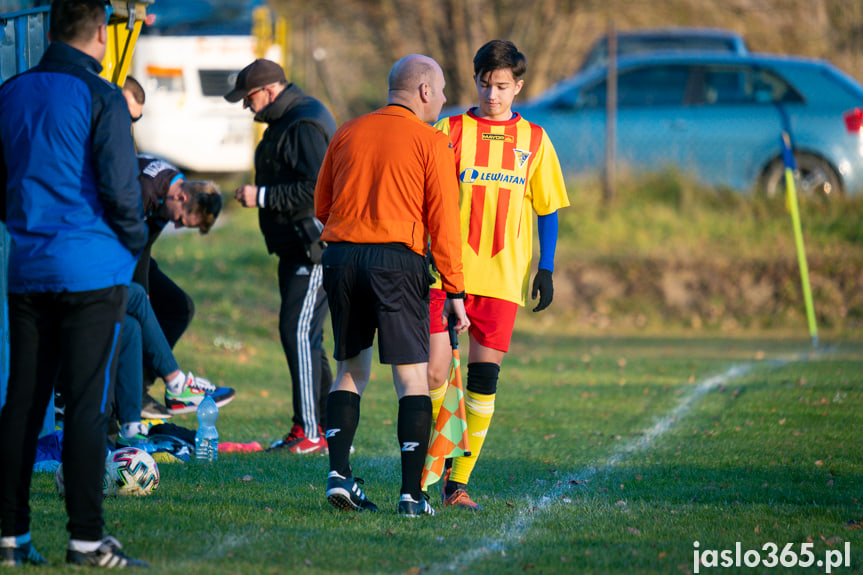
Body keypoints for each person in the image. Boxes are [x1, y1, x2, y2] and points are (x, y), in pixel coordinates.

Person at [0, 0, 148, 567]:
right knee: (86, 406)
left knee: (22, 401)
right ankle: (86, 540)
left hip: (29, 267)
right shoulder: (102, 95)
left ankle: (10, 538)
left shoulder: (11, 92)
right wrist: (131, 244)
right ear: (99, 37)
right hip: (91, 270)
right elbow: (120, 188)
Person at [314, 54, 470, 517]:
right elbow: (444, 223)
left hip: (340, 257)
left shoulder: (347, 131)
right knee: (410, 379)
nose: (443, 98)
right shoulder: (431, 142)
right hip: (396, 261)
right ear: (423, 91)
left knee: (350, 368)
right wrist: (455, 291)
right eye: (440, 89)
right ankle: (411, 494)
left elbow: (322, 204)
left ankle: (338, 474)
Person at [427, 40, 570, 510]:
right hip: (444, 274)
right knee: (433, 376)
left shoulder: (535, 139)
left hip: (503, 277)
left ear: (519, 87)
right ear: (475, 81)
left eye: (503, 86)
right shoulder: (448, 131)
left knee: (483, 379)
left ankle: (457, 484)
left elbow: (547, 210)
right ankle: (430, 466)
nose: (493, 95)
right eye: (486, 85)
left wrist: (545, 267)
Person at [225, 59, 335, 454]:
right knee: (308, 338)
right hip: (295, 248)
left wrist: (262, 196)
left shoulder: (304, 122)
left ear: (270, 91)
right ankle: (324, 429)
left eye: (249, 98)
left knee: (298, 332)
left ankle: (310, 431)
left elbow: (318, 188)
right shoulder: (288, 119)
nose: (246, 106)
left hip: (314, 248)